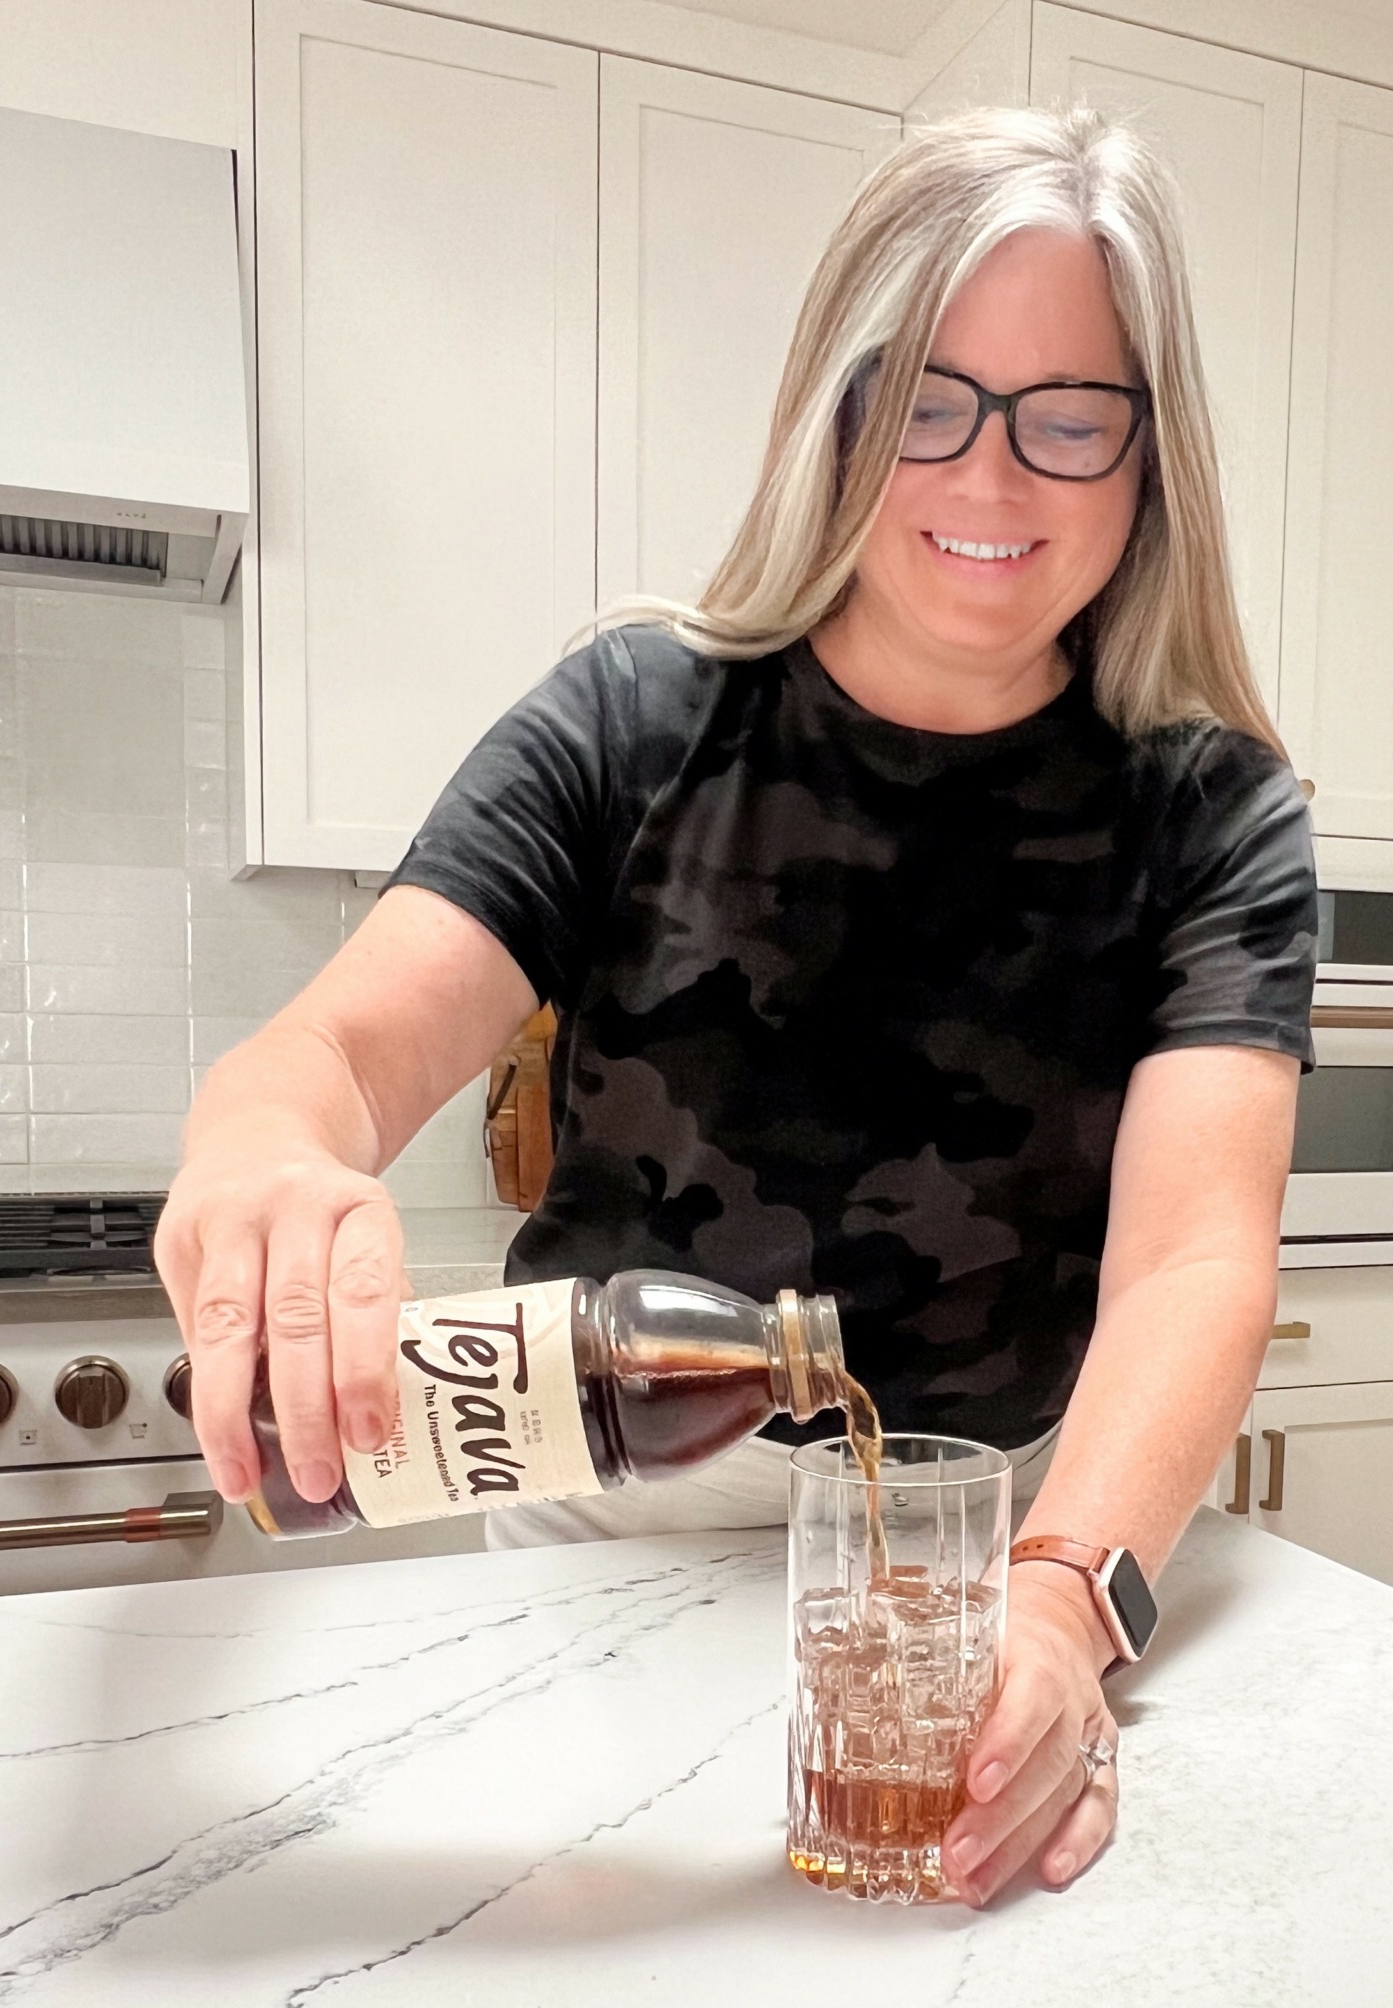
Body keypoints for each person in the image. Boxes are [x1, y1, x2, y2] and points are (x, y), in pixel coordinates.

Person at [155, 105, 1316, 1909]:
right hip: (600, 1529)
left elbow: (1191, 1259)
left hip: (1000, 1540)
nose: (990, 479)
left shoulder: (1211, 807)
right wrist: (257, 1154)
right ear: (833, 414)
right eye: (925, 401)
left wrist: (1060, 1605)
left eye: (1068, 417)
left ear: (1149, 458)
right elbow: (328, 1058)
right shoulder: (628, 720)